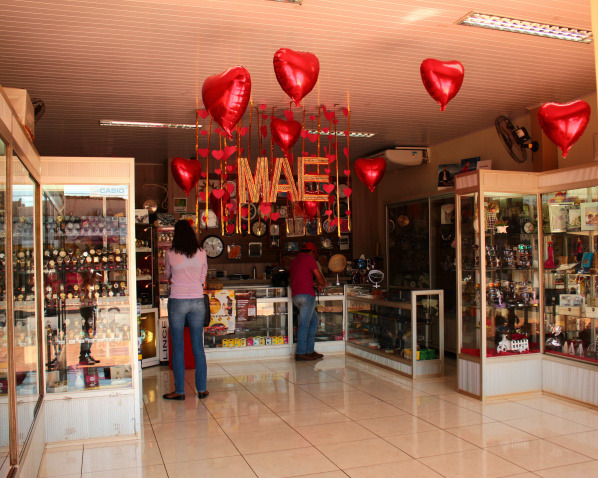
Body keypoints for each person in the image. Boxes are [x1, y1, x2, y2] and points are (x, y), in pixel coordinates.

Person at [163, 220, 209, 400]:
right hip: (198, 300)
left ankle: (180, 391)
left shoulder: (170, 253)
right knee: (198, 345)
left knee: (179, 346)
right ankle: (202, 389)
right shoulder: (202, 253)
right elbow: (203, 276)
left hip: (178, 301)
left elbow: (168, 275)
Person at [290, 242, 328, 361]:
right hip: (307, 296)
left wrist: (317, 284)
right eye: (314, 254)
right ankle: (301, 352)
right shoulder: (309, 259)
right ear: (311, 252)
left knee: (314, 321)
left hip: (296, 297)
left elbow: (305, 281)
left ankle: (310, 351)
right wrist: (323, 283)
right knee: (304, 324)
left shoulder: (295, 261)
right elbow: (319, 276)